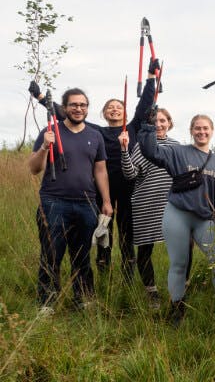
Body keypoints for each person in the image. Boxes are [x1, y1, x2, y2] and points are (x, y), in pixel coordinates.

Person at [30, 61, 158, 277]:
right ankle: (104, 274)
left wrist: (150, 77)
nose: (114, 109)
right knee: (103, 233)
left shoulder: (133, 127)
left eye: (118, 107)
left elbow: (145, 103)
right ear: (103, 113)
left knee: (127, 235)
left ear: (125, 112)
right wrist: (43, 99)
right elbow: (66, 114)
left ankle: (128, 278)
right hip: (101, 189)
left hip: (128, 188)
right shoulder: (96, 132)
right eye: (110, 107)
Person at [138, 114, 215, 326]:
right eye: (197, 128)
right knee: (179, 263)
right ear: (191, 130)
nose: (201, 132)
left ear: (212, 131)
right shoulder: (179, 152)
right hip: (177, 213)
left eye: (206, 128)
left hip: (205, 218)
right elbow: (151, 152)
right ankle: (176, 309)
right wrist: (149, 127)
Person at [29, 88, 113, 314]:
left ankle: (83, 299)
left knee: (83, 254)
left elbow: (100, 170)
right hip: (53, 202)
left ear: (87, 108)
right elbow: (34, 168)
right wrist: (46, 146)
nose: (78, 109)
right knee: (51, 253)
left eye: (83, 105)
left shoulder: (95, 136)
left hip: (87, 204)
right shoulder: (50, 131)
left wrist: (106, 200)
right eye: (74, 105)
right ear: (64, 108)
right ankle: (47, 303)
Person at [120, 107, 181, 308]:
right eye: (155, 121)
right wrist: (124, 150)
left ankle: (179, 289)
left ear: (169, 123)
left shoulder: (177, 147)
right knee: (145, 249)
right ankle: (152, 292)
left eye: (163, 120)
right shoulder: (140, 146)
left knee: (179, 249)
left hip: (172, 206)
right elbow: (130, 174)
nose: (159, 124)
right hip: (145, 204)